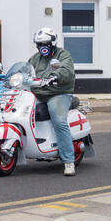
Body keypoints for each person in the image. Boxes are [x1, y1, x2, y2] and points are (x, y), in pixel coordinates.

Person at [29, 27, 77, 176]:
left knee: (59, 121)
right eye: (39, 44)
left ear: (52, 43)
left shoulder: (63, 55)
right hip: (39, 94)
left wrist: (55, 76)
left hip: (59, 93)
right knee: (22, 112)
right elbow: (26, 70)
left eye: (45, 44)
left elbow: (66, 71)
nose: (42, 47)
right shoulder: (35, 58)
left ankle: (69, 161)